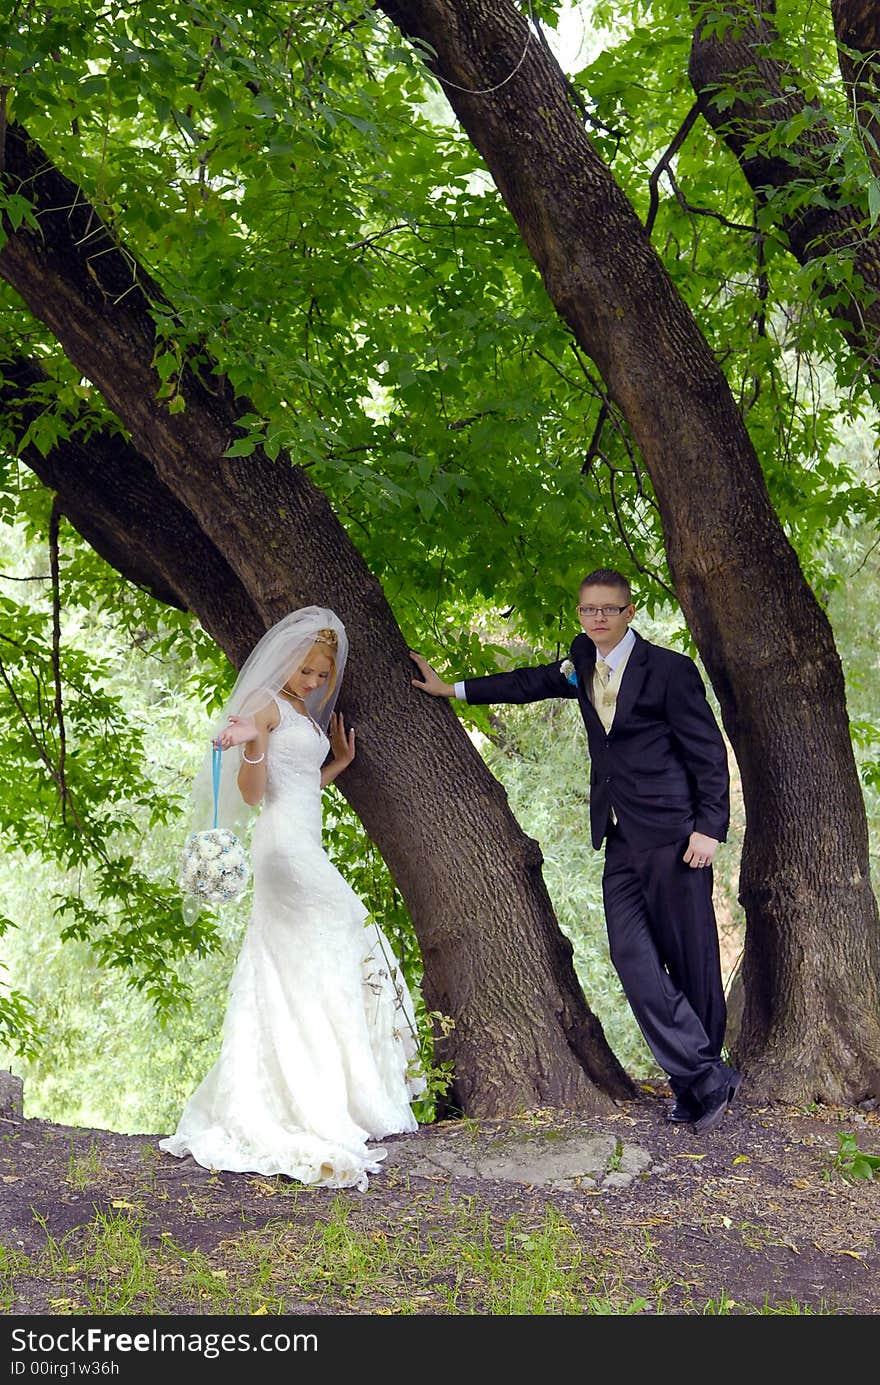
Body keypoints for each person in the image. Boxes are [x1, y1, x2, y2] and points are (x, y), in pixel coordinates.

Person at [409, 569, 741, 1134]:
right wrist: (453, 690)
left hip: (676, 837)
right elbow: (530, 683)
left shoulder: (669, 671)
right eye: (589, 611)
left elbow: (708, 753)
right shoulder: (582, 662)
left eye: (608, 610)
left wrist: (709, 828)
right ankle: (708, 1073)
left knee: (693, 964)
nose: (598, 619)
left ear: (629, 612)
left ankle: (694, 1087)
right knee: (630, 956)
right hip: (619, 840)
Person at [161, 606, 425, 1190]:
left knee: (308, 963)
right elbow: (256, 795)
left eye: (321, 675)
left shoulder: (302, 711)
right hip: (284, 852)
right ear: (286, 660)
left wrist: (338, 765)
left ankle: (327, 1089)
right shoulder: (264, 706)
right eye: (305, 670)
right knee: (352, 929)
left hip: (301, 840)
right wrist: (250, 742)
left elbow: (297, 785)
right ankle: (322, 1098)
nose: (311, 682)